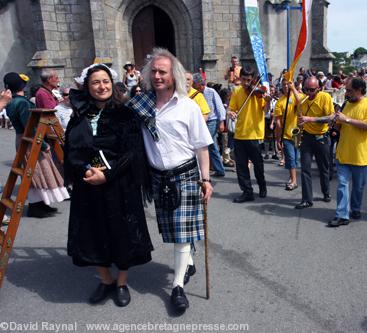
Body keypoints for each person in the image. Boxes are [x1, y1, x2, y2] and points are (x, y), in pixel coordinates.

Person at [126, 48, 213, 313]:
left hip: (186, 175)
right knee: (174, 231)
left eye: (162, 71)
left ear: (173, 75)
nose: (157, 76)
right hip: (158, 178)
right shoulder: (140, 105)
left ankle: (177, 287)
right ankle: (187, 262)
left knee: (182, 234)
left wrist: (206, 179)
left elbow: (201, 147)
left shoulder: (188, 106)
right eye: (153, 71)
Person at [65, 64, 152, 307]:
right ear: (87, 87)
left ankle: (122, 282)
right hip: (88, 185)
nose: (101, 86)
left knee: (122, 233)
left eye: (105, 81)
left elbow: (133, 153)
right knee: (93, 233)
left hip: (119, 186)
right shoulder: (79, 115)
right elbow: (71, 150)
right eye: (95, 82)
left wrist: (108, 175)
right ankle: (105, 280)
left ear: (112, 85)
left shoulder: (125, 114)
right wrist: (85, 169)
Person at [3, 72, 70, 218]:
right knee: (37, 172)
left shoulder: (13, 101)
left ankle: (41, 204)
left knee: (35, 173)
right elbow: (29, 126)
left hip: (23, 138)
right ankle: (36, 206)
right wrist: (44, 144)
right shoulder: (21, 102)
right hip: (30, 139)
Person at [327, 78, 367, 227]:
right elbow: (339, 126)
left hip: (360, 154)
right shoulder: (346, 104)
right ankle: (342, 215)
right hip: (343, 152)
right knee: (342, 184)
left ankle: (355, 208)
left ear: (359, 90)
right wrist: (335, 123)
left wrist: (346, 119)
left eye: (349, 90)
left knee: (358, 187)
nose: (346, 93)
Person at [227, 67, 271, 203]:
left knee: (258, 165)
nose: (247, 83)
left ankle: (262, 186)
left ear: (253, 79)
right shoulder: (237, 91)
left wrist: (268, 100)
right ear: (240, 78)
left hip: (255, 134)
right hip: (240, 134)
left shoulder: (259, 92)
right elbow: (230, 109)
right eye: (244, 80)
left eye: (249, 80)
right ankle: (247, 192)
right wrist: (231, 113)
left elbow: (266, 111)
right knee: (241, 166)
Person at [294, 76, 334, 209]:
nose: (308, 93)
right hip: (307, 137)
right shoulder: (302, 100)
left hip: (321, 137)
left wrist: (310, 119)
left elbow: (330, 118)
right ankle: (306, 199)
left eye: (311, 90)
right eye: (306, 90)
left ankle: (326, 192)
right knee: (305, 168)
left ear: (318, 88)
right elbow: (300, 121)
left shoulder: (325, 97)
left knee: (324, 168)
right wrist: (297, 137)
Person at [192, 73, 226, 177]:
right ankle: (219, 170)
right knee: (212, 145)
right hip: (201, 121)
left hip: (212, 121)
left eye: (194, 84)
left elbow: (219, 107)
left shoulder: (211, 92)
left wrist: (221, 122)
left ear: (199, 84)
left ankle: (206, 169)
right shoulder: (196, 94)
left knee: (206, 143)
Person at [274, 81, 302, 191]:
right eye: (284, 85)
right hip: (286, 135)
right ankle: (294, 181)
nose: (286, 86)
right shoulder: (280, 102)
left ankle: (292, 176)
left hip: (297, 133)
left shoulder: (297, 95)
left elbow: (301, 102)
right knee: (290, 158)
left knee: (295, 158)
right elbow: (278, 122)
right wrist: (278, 138)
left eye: (288, 84)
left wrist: (293, 88)